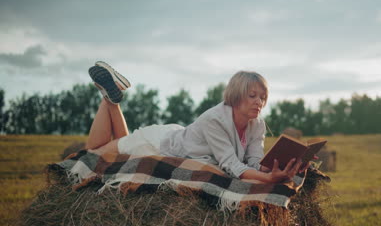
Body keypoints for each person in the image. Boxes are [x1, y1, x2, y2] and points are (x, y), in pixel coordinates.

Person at [85, 61, 310, 183]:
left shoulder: (257, 123)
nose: (259, 102)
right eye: (252, 96)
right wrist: (268, 178)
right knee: (93, 153)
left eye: (262, 97)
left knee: (123, 142)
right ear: (236, 95)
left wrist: (289, 164)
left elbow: (253, 161)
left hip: (181, 136)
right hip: (156, 143)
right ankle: (109, 98)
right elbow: (231, 165)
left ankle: (109, 96)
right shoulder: (215, 119)